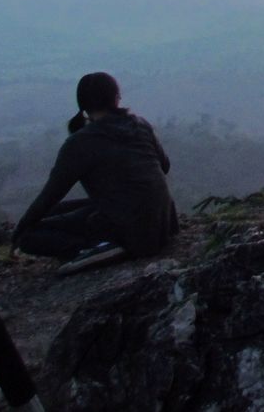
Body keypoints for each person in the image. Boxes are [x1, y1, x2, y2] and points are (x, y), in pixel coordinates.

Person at [12, 72, 179, 274]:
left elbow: (51, 194)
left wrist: (19, 230)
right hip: (164, 224)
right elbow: (164, 166)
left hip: (130, 232)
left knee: (28, 237)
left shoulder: (80, 143)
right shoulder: (140, 124)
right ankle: (108, 241)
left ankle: (96, 248)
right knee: (55, 211)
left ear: (83, 106)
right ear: (117, 97)